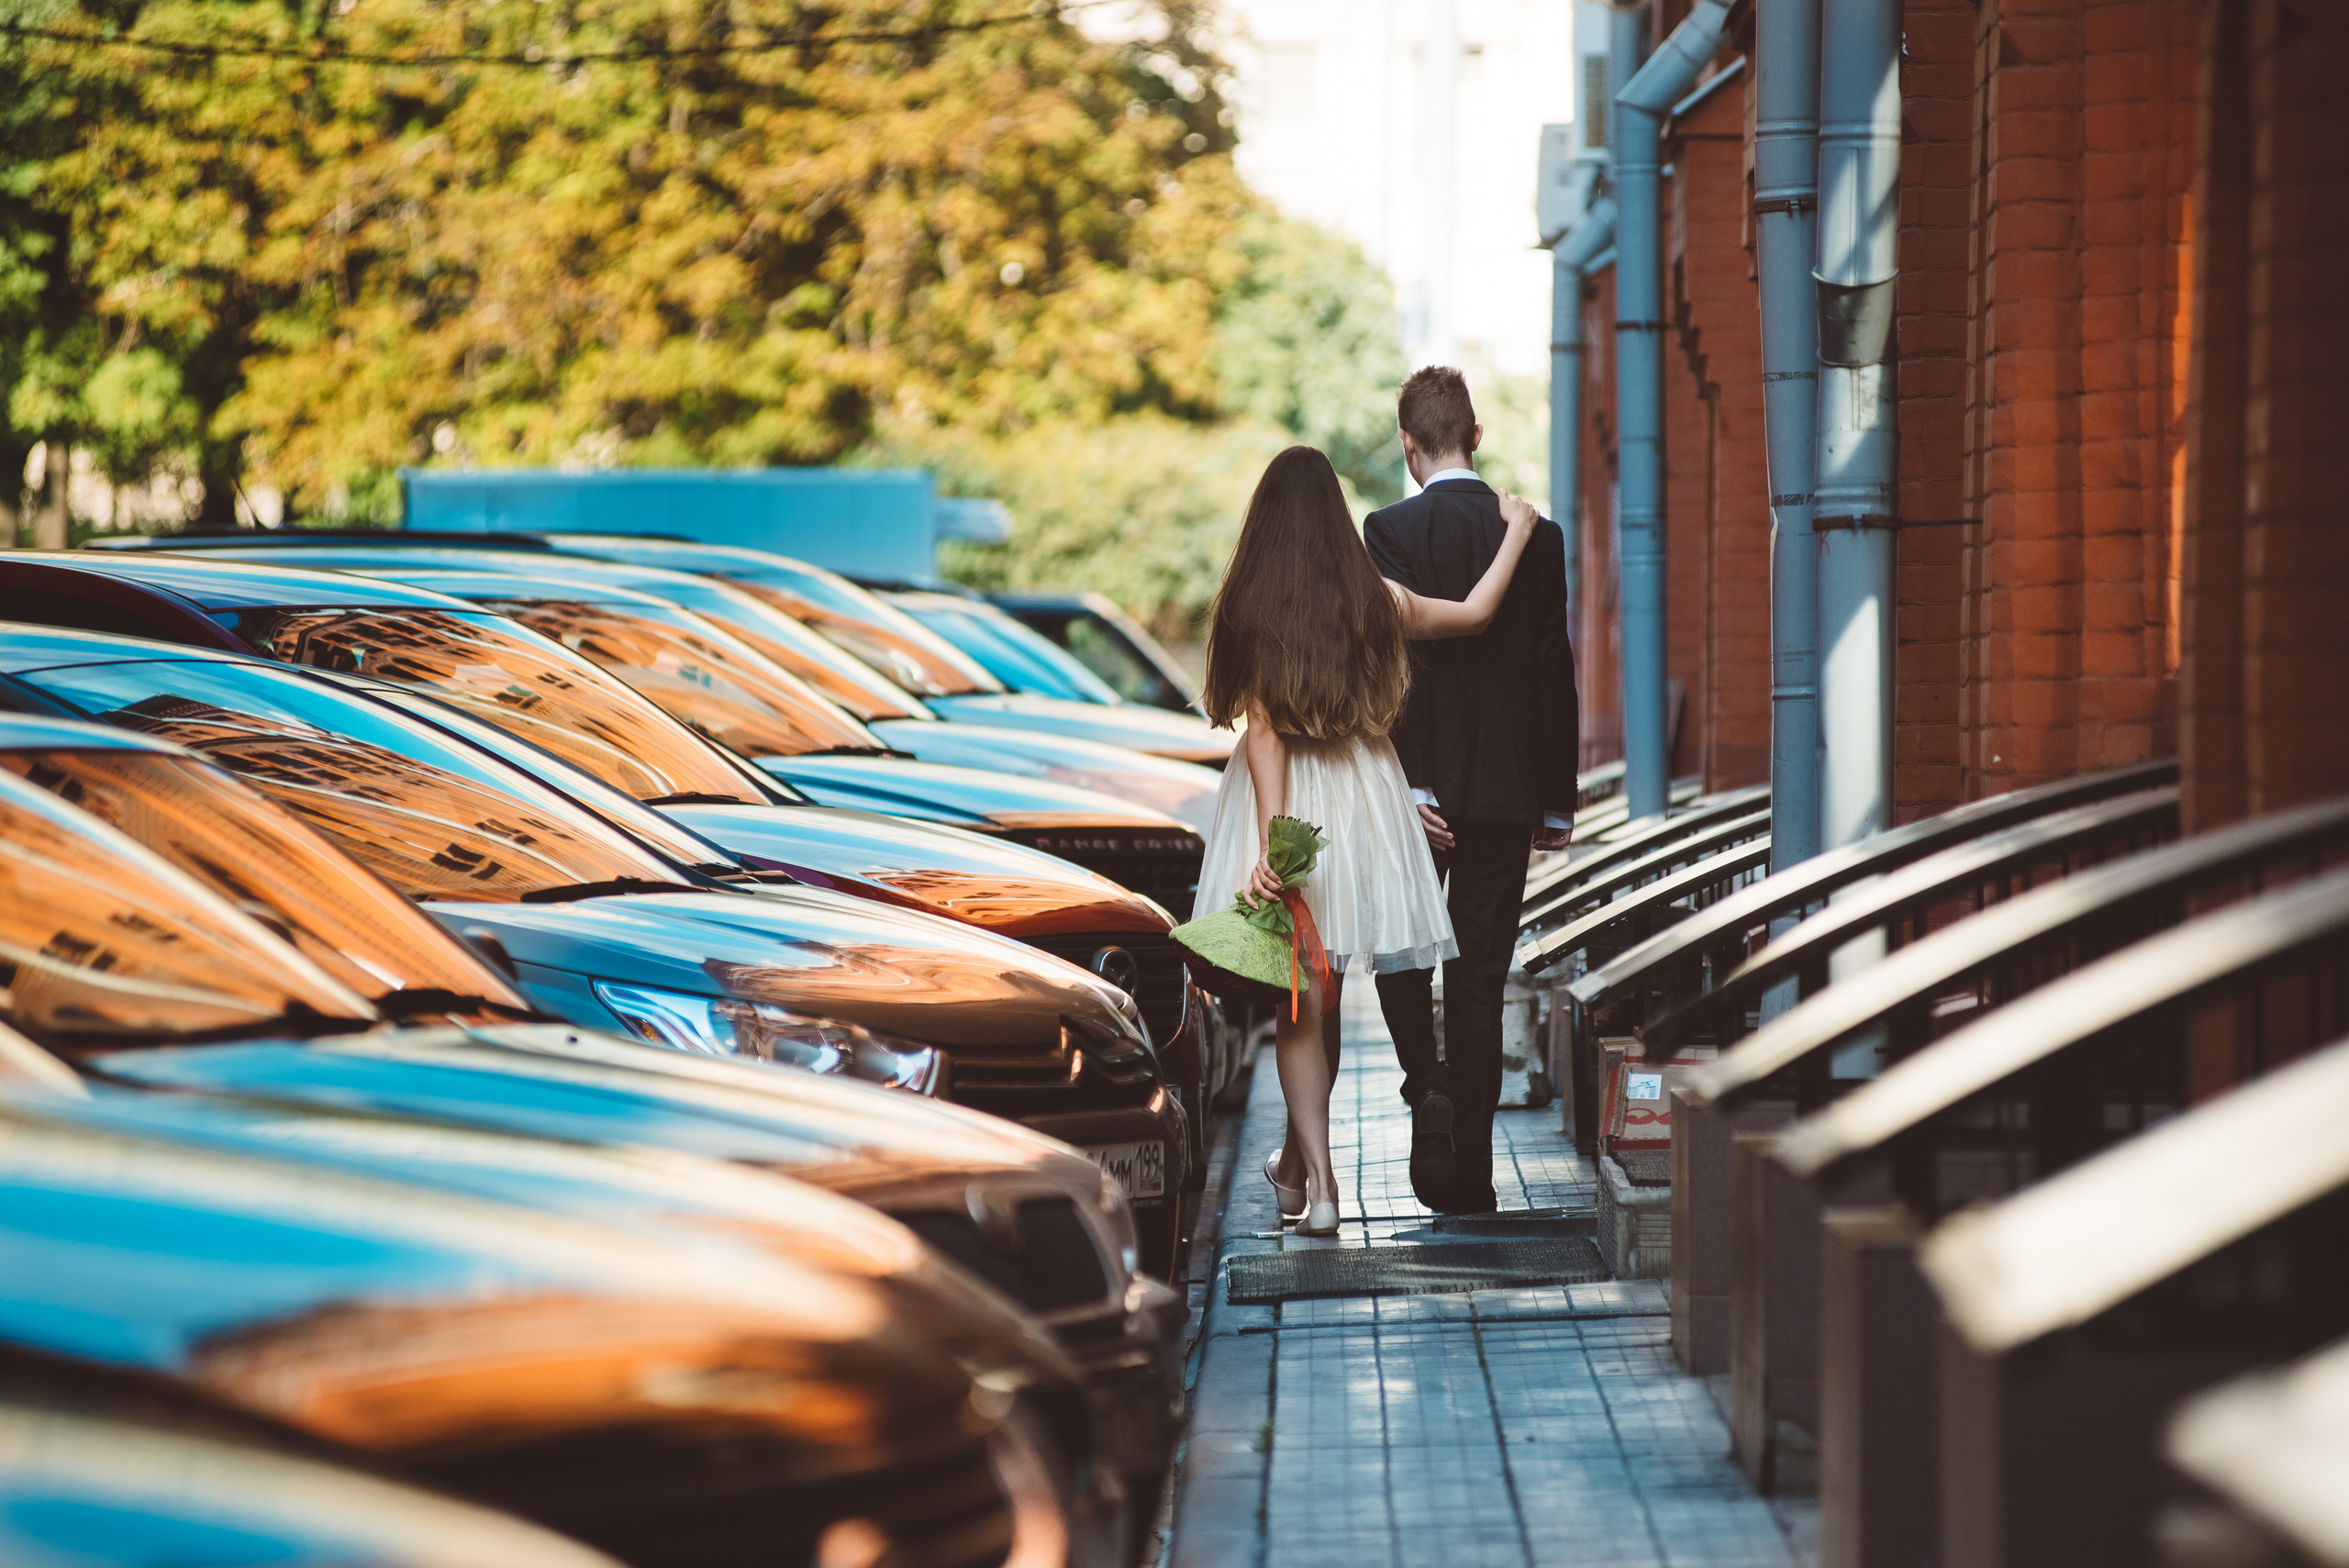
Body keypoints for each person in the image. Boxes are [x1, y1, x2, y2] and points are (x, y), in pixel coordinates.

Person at [1196, 444, 1541, 1236]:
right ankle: (1300, 1173)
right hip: (1364, 794)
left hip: (1290, 798)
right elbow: (1476, 615)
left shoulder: (1249, 606)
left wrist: (1276, 842)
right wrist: (1518, 532)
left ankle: (1317, 1185)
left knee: (1303, 1001)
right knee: (1319, 993)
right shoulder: (1374, 599)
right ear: (1334, 519)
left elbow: (1264, 733)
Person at [1364, 366, 1580, 1214]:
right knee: (1481, 976)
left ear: (1408, 445)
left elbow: (1394, 666)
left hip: (1420, 793)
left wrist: (1407, 780)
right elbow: (1553, 666)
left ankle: (1427, 1084)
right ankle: (1476, 1172)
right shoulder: (1538, 536)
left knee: (1400, 952)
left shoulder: (1387, 530)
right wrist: (1556, 798)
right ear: (1477, 437)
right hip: (1507, 787)